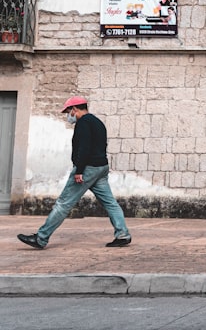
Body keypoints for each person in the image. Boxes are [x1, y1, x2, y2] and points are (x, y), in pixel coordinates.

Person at [17, 96, 132, 249]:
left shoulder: (83, 123)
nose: (68, 115)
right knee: (110, 203)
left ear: (75, 109)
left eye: (68, 111)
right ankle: (123, 234)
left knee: (63, 203)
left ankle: (41, 238)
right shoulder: (98, 122)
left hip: (87, 169)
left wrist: (79, 170)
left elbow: (84, 148)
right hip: (101, 167)